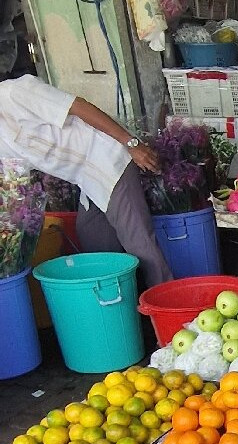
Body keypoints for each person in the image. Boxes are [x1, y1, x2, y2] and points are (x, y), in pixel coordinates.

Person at [0, 73, 173, 287]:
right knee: (95, 244)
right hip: (88, 181)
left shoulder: (14, 94)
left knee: (140, 245)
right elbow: (11, 182)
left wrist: (131, 144)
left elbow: (79, 107)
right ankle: (120, 306)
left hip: (109, 158)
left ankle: (168, 305)